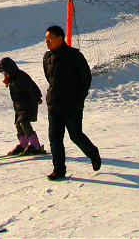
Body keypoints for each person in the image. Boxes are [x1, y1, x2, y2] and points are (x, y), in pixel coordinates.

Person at [43, 26, 101, 181]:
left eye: (50, 38)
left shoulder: (75, 56)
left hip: (72, 106)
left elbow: (86, 79)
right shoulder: (47, 57)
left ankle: (93, 153)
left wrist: (78, 98)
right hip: (54, 105)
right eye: (46, 39)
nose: (47, 42)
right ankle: (58, 169)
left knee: (76, 136)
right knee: (54, 139)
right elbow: (50, 79)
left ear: (59, 39)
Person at [0, 57, 45, 156]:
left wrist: (37, 97)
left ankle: (35, 145)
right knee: (18, 124)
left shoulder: (21, 77)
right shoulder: (12, 79)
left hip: (28, 103)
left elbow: (31, 86)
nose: (4, 74)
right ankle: (23, 144)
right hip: (19, 106)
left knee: (24, 122)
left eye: (4, 72)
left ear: (10, 70)